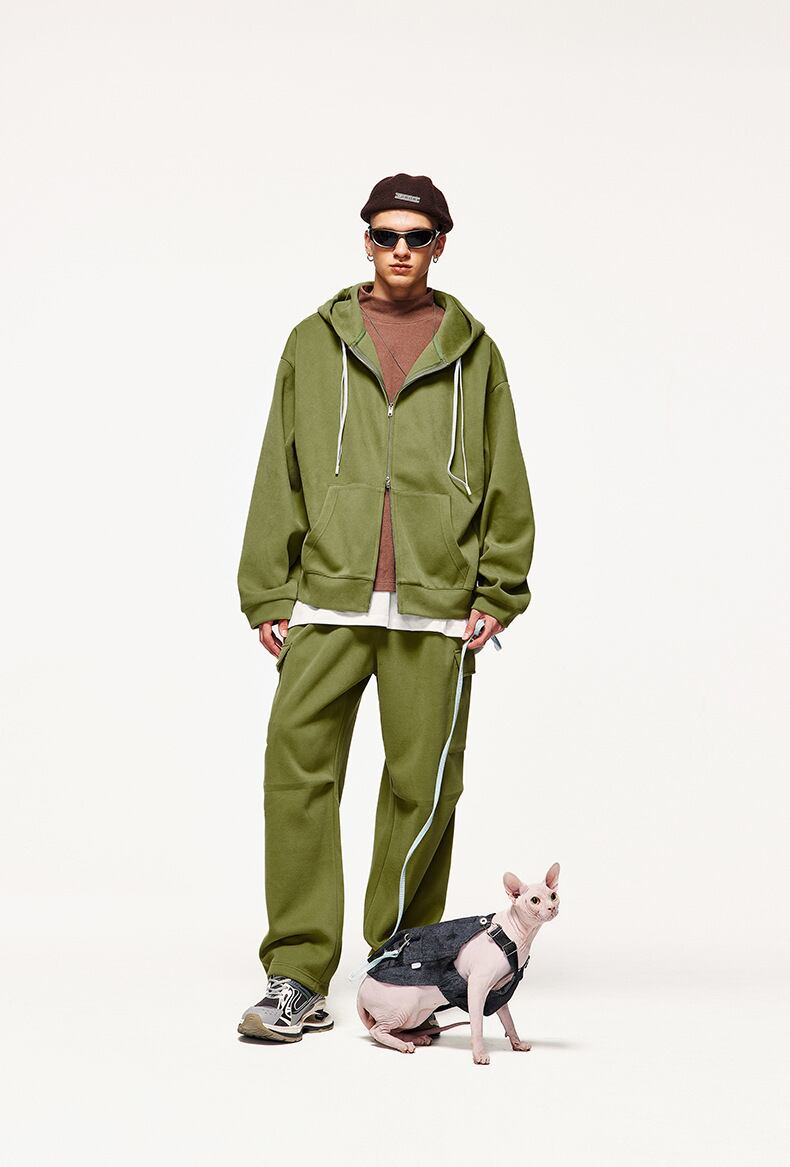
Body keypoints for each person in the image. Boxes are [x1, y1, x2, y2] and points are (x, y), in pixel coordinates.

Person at [235, 173, 536, 1042]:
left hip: (437, 604)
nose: (400, 250)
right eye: (385, 234)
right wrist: (267, 586)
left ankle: (397, 967)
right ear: (366, 240)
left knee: (422, 789)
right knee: (296, 775)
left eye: (416, 236)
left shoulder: (475, 352)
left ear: (440, 244)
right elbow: (280, 464)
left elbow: (504, 470)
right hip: (328, 596)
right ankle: (297, 975)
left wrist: (499, 587)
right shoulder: (312, 341)